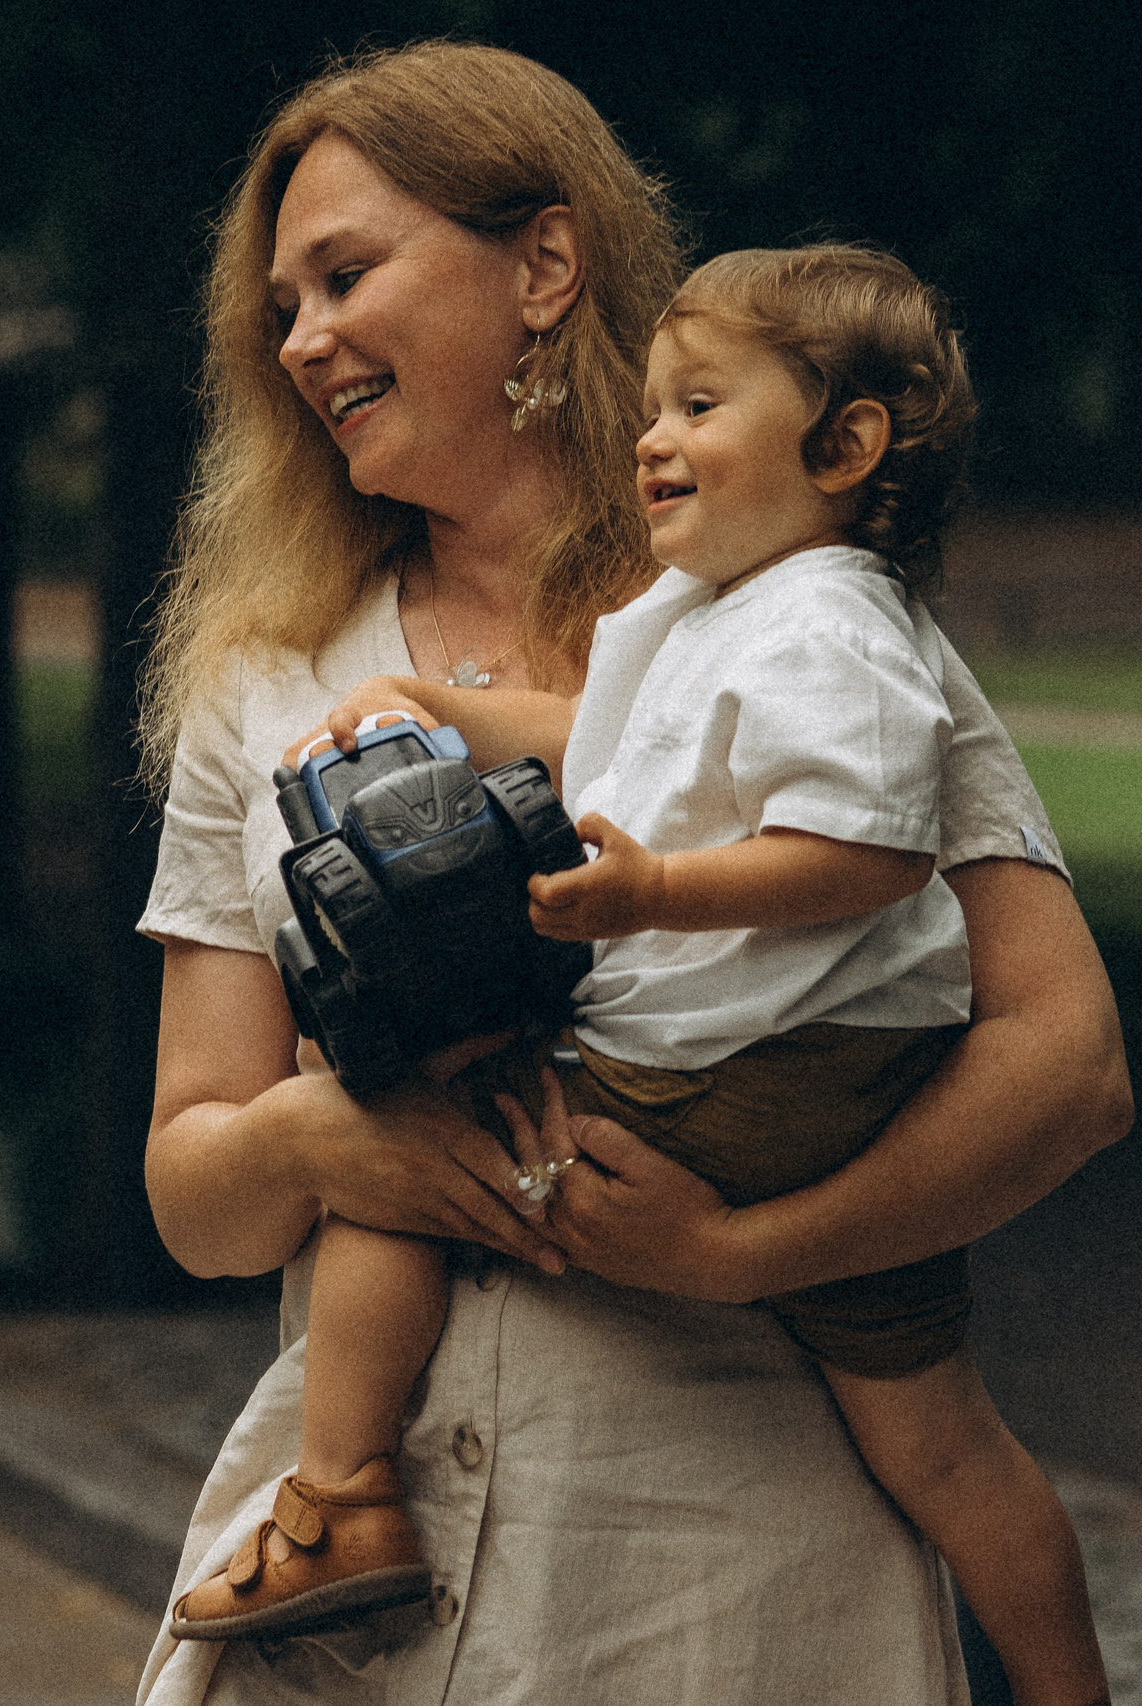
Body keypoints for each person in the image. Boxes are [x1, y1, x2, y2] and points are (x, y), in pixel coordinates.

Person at [130, 42, 1131, 1706]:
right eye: (280, 305)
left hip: (732, 1577)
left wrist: (749, 1251)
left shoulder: (812, 622)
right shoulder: (267, 685)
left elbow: (1067, 1067)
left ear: (542, 266)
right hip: (341, 1596)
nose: (300, 338)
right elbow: (196, 1202)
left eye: (347, 276)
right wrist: (323, 1131)